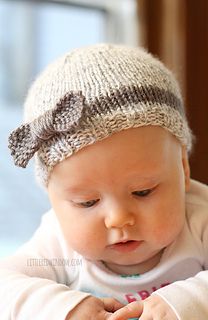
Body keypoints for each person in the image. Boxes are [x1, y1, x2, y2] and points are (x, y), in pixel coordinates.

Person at [1, 43, 208, 320]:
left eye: (142, 191)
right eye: (87, 202)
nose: (118, 219)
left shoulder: (199, 217)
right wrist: (62, 308)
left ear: (183, 168)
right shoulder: (58, 245)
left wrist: (187, 301)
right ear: (52, 198)